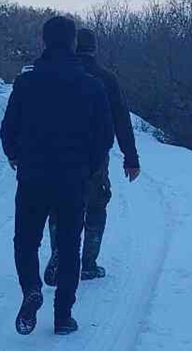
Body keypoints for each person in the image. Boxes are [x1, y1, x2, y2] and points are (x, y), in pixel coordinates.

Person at [1, 15, 114, 336]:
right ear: (74, 44)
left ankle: (31, 290)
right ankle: (63, 316)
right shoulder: (91, 85)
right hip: (73, 177)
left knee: (25, 240)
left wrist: (15, 156)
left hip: (33, 176)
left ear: (44, 41)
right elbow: (105, 135)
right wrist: (88, 166)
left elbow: (8, 128)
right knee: (68, 246)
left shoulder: (26, 82)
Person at [44, 26, 141, 284]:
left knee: (59, 205)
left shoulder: (55, 74)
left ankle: (60, 256)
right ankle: (87, 264)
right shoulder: (106, 78)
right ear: (94, 48)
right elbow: (122, 120)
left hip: (58, 153)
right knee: (96, 205)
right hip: (95, 155)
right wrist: (131, 158)